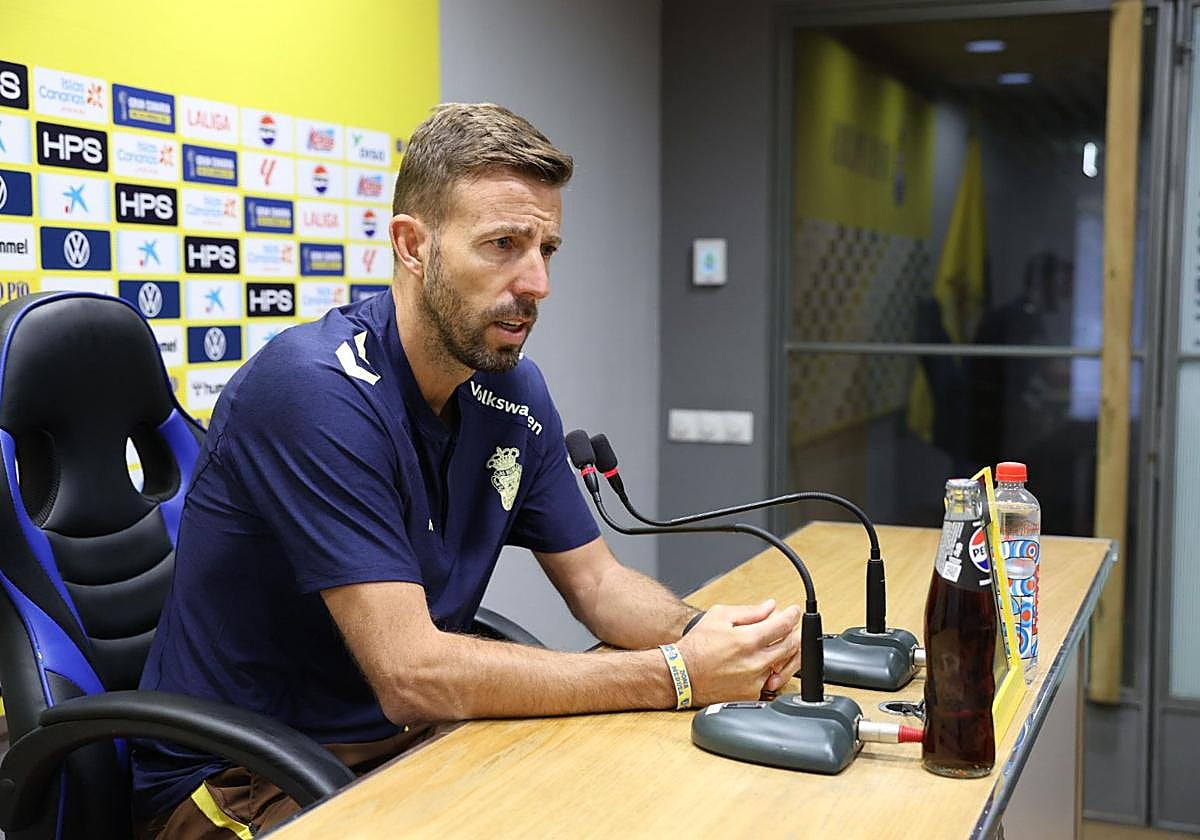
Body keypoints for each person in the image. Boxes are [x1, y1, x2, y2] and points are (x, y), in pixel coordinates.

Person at [132, 103, 803, 838]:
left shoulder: (512, 390)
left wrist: (721, 641)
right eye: (503, 245)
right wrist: (677, 673)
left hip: (407, 747)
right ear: (412, 246)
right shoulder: (314, 389)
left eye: (547, 249)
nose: (537, 282)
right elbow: (411, 673)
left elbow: (599, 585)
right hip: (243, 782)